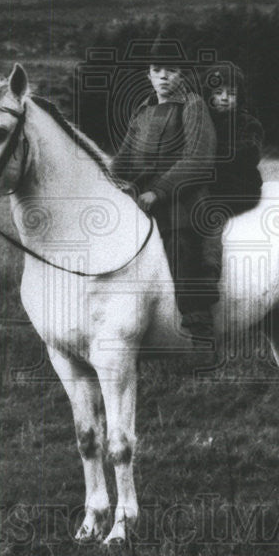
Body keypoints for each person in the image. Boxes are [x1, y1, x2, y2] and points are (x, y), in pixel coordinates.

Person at [111, 60, 218, 346]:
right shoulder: (143, 110)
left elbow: (198, 159)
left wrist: (158, 192)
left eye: (171, 70)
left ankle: (199, 325)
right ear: (148, 73)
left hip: (182, 197)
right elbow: (123, 158)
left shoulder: (192, 106)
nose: (163, 76)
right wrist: (109, 183)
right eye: (157, 69)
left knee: (180, 244)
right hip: (141, 196)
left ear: (183, 74)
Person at [199, 63, 265, 282]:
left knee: (211, 213)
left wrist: (211, 159)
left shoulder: (247, 123)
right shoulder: (203, 123)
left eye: (232, 93)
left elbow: (249, 152)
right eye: (218, 93)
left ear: (240, 97)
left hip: (239, 185)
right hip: (212, 183)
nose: (225, 98)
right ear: (209, 95)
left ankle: (210, 266)